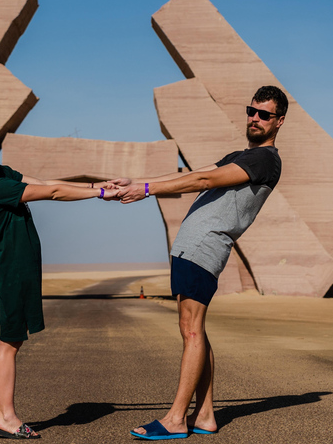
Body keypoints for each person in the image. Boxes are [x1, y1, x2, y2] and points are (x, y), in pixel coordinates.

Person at [117, 86, 287, 440]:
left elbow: (203, 180)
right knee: (195, 331)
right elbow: (193, 174)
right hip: (190, 250)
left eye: (264, 115)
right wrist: (139, 183)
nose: (254, 118)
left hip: (205, 250)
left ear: (278, 122)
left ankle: (176, 418)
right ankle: (205, 414)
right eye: (251, 111)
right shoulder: (240, 154)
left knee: (191, 331)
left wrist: (146, 190)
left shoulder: (264, 160)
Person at [0, 128, 118, 439]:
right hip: (12, 271)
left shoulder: (5, 173)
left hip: (17, 268)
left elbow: (49, 183)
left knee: (7, 337)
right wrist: (101, 194)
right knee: (11, 342)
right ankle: (6, 418)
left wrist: (95, 184)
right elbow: (50, 194)